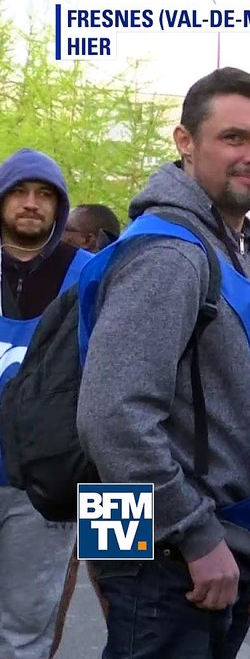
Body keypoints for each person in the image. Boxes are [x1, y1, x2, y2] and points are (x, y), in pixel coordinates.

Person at [76, 67, 250, 659]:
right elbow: (110, 416)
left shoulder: (232, 246)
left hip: (202, 541)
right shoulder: (170, 253)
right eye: (234, 138)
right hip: (180, 549)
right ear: (184, 141)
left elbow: (238, 414)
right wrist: (199, 540)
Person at [0, 148, 92, 659]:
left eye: (44, 195)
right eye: (19, 191)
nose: (31, 204)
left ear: (60, 207)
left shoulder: (91, 275)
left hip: (46, 486)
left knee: (27, 627)